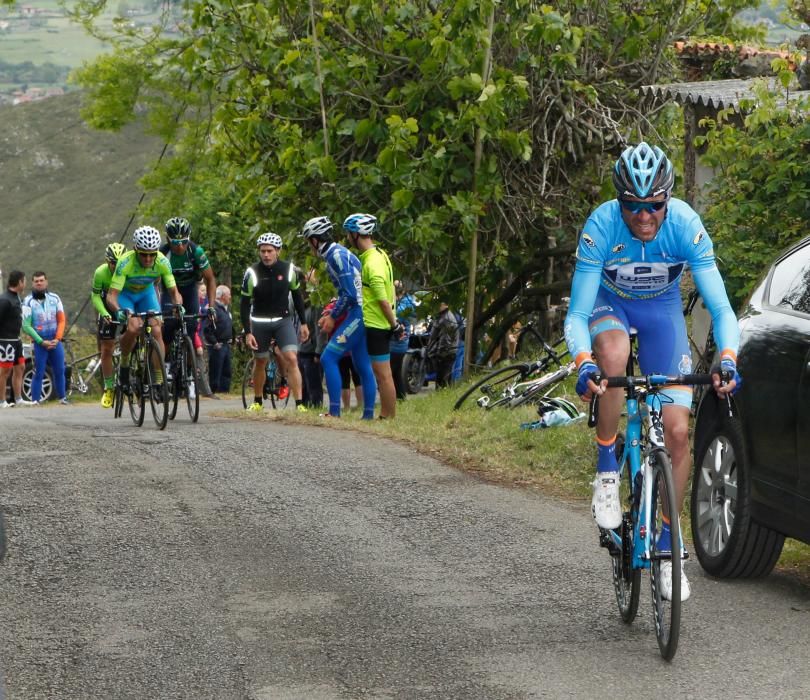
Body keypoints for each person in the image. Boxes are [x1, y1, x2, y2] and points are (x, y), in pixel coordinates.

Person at [565, 142, 741, 603]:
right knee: (614, 355)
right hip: (610, 306)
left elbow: (721, 308)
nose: (644, 216)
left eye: (654, 205)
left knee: (679, 433)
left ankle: (667, 546)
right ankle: (606, 470)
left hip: (662, 313)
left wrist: (727, 357)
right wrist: (584, 362)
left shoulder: (685, 226)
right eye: (633, 206)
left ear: (668, 199)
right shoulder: (601, 226)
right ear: (619, 202)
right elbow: (577, 313)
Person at [300, 216, 376, 419]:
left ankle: (334, 412)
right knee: (362, 364)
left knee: (328, 357)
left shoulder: (335, 256)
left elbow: (350, 294)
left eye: (309, 241)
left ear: (315, 240)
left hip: (358, 313)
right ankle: (368, 415)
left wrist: (333, 316)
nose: (309, 246)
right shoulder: (337, 253)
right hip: (361, 312)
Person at [106, 226, 184, 393]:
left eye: (152, 254)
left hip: (146, 294)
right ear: (135, 250)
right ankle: (125, 363)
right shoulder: (125, 262)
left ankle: (158, 380)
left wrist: (178, 305)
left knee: (156, 330)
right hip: (126, 295)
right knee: (134, 327)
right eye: (143, 254)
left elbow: (174, 292)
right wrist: (119, 310)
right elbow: (111, 296)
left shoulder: (163, 261)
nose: (148, 259)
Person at [240, 232, 310, 412]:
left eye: (270, 251)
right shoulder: (252, 272)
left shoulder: (289, 270)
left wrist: (303, 323)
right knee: (260, 361)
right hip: (259, 321)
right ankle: (257, 401)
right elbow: (244, 304)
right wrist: (248, 332)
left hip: (282, 320)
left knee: (292, 358)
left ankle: (300, 404)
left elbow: (297, 296)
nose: (266, 255)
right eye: (262, 251)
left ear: (278, 251)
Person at [343, 213, 401, 419]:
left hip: (377, 324)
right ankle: (387, 415)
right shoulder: (379, 255)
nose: (348, 238)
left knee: (383, 375)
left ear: (356, 234)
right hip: (380, 321)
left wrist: (394, 324)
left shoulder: (371, 264)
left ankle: (387, 416)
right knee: (383, 374)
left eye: (349, 234)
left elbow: (383, 299)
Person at [159, 217, 217, 360]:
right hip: (169, 290)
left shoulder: (196, 251)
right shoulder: (161, 254)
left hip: (190, 289)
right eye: (175, 242)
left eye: (184, 241)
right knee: (168, 327)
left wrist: (211, 306)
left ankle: (191, 371)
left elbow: (210, 279)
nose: (180, 246)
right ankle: (165, 364)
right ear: (167, 239)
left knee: (191, 328)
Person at [21, 271, 68, 405]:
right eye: (36, 281)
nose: (39, 283)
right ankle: (36, 401)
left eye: (41, 280)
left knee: (60, 370)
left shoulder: (55, 298)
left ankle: (62, 398)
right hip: (39, 342)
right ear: (33, 283)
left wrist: (57, 338)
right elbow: (26, 326)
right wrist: (41, 341)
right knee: (39, 372)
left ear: (46, 281)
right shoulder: (28, 301)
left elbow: (61, 320)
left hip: (54, 340)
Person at [91, 242, 127, 408]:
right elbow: (96, 297)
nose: (116, 266)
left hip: (125, 304)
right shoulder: (100, 273)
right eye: (113, 263)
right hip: (107, 308)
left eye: (119, 263)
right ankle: (109, 387)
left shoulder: (129, 270)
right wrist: (104, 313)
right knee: (106, 349)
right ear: (108, 262)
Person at [0, 270, 30, 408]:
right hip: (6, 340)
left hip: (16, 340)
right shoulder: (5, 299)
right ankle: (2, 401)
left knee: (21, 367)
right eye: (24, 281)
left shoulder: (16, 297)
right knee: (5, 371)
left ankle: (18, 399)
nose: (25, 284)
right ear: (19, 282)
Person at [389, 280, 418, 400]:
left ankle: (393, 397)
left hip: (399, 343)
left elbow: (397, 315)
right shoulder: (400, 301)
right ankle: (400, 397)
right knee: (396, 372)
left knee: (391, 371)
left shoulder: (406, 302)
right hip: (393, 342)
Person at [204, 284, 233, 394]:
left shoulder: (225, 309)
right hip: (217, 345)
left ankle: (225, 392)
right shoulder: (214, 309)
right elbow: (207, 328)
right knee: (216, 371)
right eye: (228, 294)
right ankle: (214, 391)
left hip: (226, 344)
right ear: (222, 296)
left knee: (226, 371)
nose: (230, 297)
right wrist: (214, 342)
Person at [426, 301, 460, 388]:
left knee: (443, 377)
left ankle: (442, 393)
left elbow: (446, 339)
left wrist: (439, 353)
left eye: (440, 304)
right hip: (447, 350)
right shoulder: (441, 316)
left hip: (447, 351)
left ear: (446, 305)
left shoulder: (447, 318)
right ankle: (442, 392)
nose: (437, 306)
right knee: (442, 376)